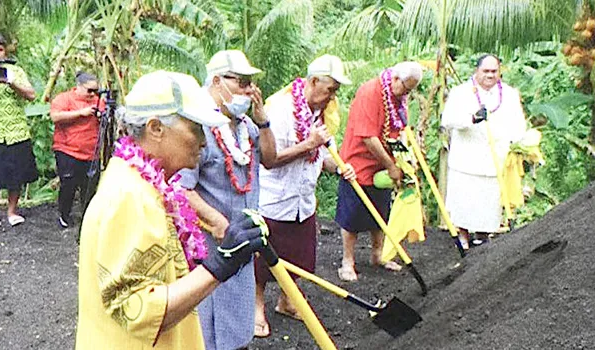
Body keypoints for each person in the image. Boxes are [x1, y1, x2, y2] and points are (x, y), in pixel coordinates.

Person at [75, 70, 269, 350]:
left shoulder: (143, 183)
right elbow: (137, 309)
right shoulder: (130, 197)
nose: (204, 141)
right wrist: (221, 264)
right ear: (156, 128)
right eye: (195, 128)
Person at [177, 50, 276, 350]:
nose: (250, 91)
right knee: (207, 316)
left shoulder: (245, 126)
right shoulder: (200, 128)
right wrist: (218, 223)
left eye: (251, 84)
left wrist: (264, 122)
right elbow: (183, 189)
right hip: (209, 244)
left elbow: (270, 160)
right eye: (243, 83)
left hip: (242, 240)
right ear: (217, 81)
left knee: (238, 315)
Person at [254, 54, 356, 338]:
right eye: (330, 89)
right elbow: (269, 159)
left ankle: (287, 301)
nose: (333, 96)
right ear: (312, 82)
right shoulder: (280, 109)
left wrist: (340, 168)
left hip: (303, 201)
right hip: (275, 199)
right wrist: (308, 144)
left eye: (336, 90)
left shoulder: (322, 113)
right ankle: (257, 306)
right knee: (262, 260)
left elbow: (324, 155)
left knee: (300, 257)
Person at [335, 62, 424, 282]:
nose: (406, 93)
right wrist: (391, 166)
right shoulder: (370, 91)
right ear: (394, 79)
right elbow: (368, 137)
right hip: (358, 161)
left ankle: (378, 254)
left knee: (381, 209)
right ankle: (348, 261)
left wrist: (404, 160)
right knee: (352, 213)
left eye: (410, 90)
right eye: (405, 88)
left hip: (383, 165)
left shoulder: (397, 99)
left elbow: (399, 130)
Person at [441, 54, 526, 249]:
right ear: (476, 71)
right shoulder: (461, 92)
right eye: (485, 71)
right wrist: (471, 119)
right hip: (466, 159)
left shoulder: (510, 94)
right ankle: (462, 236)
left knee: (488, 202)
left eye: (494, 71)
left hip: (495, 159)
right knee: (464, 200)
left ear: (500, 72)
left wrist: (518, 144)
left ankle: (483, 237)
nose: (490, 75)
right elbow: (447, 121)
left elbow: (518, 123)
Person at [0, 33, 37, 235]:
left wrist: (10, 82)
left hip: (16, 131)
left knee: (16, 175)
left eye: (0, 49)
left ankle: (12, 212)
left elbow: (31, 95)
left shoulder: (15, 71)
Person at [50, 72, 104, 228]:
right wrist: (80, 113)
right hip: (67, 149)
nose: (93, 94)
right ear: (79, 86)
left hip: (91, 151)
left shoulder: (98, 101)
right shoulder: (64, 98)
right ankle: (64, 215)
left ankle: (87, 218)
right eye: (90, 90)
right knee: (68, 184)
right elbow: (55, 117)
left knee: (89, 187)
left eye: (96, 91)